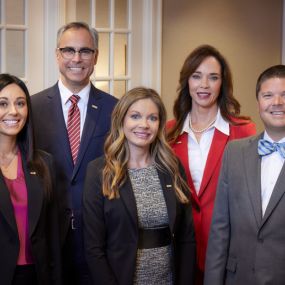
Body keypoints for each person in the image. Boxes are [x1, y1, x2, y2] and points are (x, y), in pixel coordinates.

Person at [31, 22, 118, 284]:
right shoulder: (32, 108)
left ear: (96, 57)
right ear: (57, 55)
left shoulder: (115, 109)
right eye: (69, 50)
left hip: (98, 236)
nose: (77, 59)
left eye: (85, 51)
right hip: (46, 233)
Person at [83, 87, 196, 285]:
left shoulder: (172, 167)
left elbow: (187, 238)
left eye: (152, 118)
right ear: (121, 120)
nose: (144, 125)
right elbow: (94, 249)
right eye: (135, 116)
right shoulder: (99, 172)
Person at [166, 45, 256, 284]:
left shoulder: (243, 131)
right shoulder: (168, 133)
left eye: (213, 77)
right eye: (196, 76)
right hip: (179, 249)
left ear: (222, 83)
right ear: (187, 81)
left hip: (226, 251)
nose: (204, 85)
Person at [204, 65, 285, 284]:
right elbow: (220, 229)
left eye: (284, 95)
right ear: (259, 102)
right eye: (268, 95)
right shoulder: (235, 152)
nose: (277, 103)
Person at [0, 74, 61, 285]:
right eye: (3, 104)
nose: (13, 111)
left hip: (37, 275)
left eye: (20, 103)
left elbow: (52, 235)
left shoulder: (44, 163)